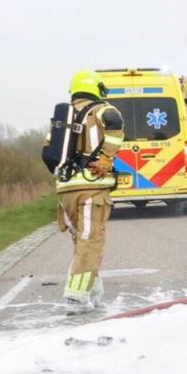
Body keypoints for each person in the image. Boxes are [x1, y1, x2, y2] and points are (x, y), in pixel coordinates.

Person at [47, 70, 125, 314]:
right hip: (91, 188)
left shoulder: (63, 120)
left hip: (65, 190)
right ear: (97, 88)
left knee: (81, 242)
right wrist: (106, 159)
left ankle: (92, 290)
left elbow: (48, 151)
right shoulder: (102, 110)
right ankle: (76, 297)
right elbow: (115, 125)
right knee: (90, 242)